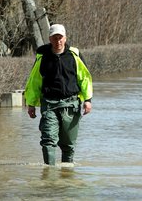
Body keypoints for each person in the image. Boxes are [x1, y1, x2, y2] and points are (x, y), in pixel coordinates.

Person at [24, 24, 93, 165]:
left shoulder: (74, 55)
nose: (58, 41)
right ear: (50, 39)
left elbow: (84, 78)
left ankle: (66, 177)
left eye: (60, 38)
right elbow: (34, 81)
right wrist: (31, 103)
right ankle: (49, 175)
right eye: (55, 38)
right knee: (48, 140)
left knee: (68, 144)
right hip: (49, 104)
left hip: (71, 104)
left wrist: (87, 99)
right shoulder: (42, 57)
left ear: (65, 38)